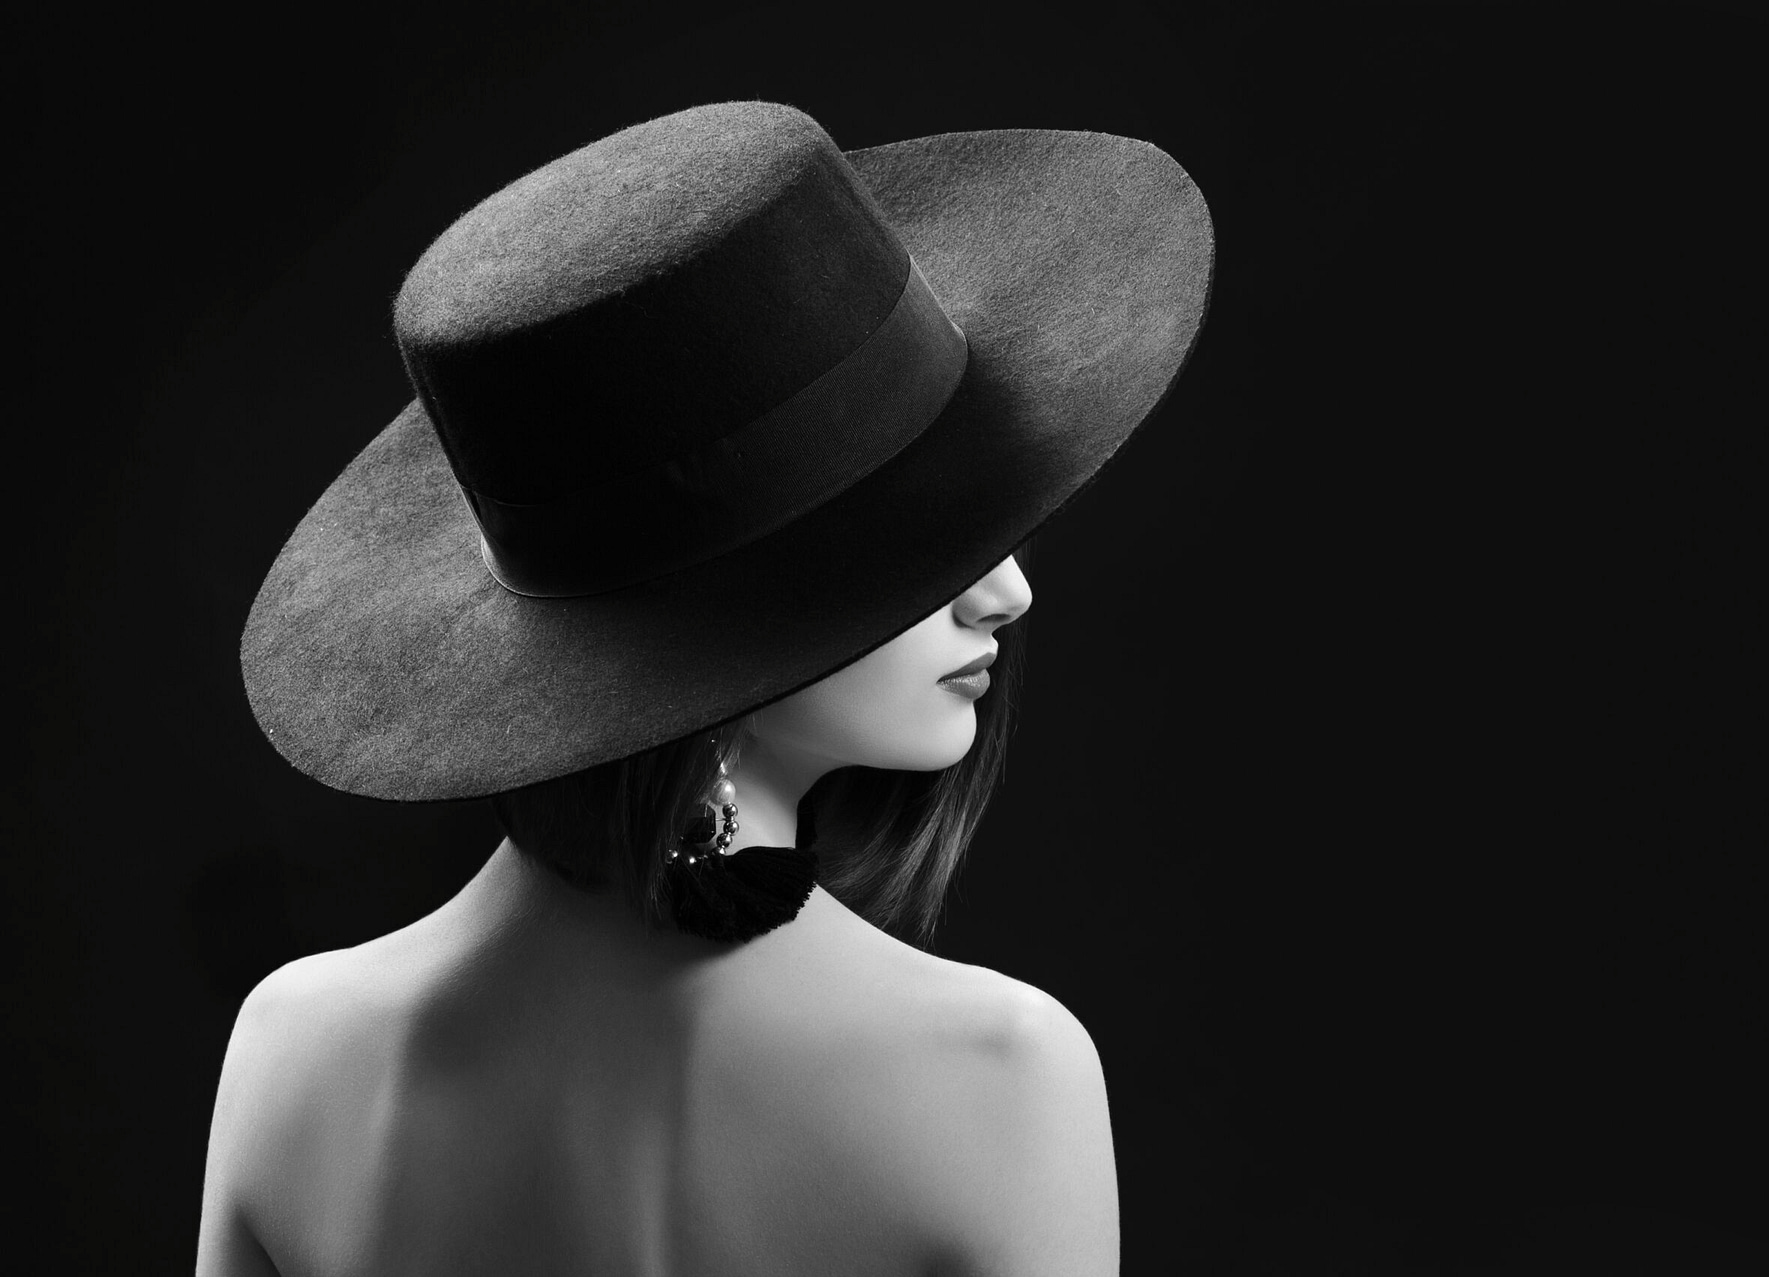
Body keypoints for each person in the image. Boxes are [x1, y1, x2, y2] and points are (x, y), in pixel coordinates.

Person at [199, 100, 1212, 1276]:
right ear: (719, 631)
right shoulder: (1000, 1072)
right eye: (917, 540)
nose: (1008, 593)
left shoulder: (296, 1049)